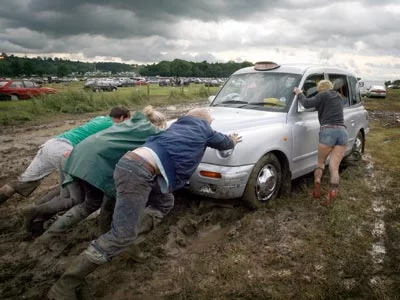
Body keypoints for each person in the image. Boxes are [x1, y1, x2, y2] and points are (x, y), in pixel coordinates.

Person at [47, 108, 242, 300]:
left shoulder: (175, 127)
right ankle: (65, 285)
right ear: (206, 121)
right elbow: (224, 143)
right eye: (210, 121)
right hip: (139, 173)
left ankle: (128, 244)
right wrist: (232, 138)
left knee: (165, 201)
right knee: (122, 234)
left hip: (131, 165)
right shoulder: (204, 128)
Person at [23, 106, 171, 242]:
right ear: (157, 124)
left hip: (77, 154)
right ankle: (49, 235)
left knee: (72, 196)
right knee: (91, 203)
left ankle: (38, 214)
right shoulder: (152, 133)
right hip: (93, 163)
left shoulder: (128, 124)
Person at [0, 106, 131, 206]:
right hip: (64, 150)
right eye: (126, 121)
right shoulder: (113, 125)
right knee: (74, 194)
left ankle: (34, 206)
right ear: (121, 118)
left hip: (50, 145)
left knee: (23, 183)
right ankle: (38, 212)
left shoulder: (100, 119)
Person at [293, 80, 348, 207]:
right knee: (334, 168)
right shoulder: (339, 97)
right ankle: (333, 192)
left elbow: (306, 104)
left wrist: (299, 93)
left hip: (327, 131)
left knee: (321, 163)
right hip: (342, 132)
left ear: (321, 89)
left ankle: (317, 183)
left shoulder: (322, 95)